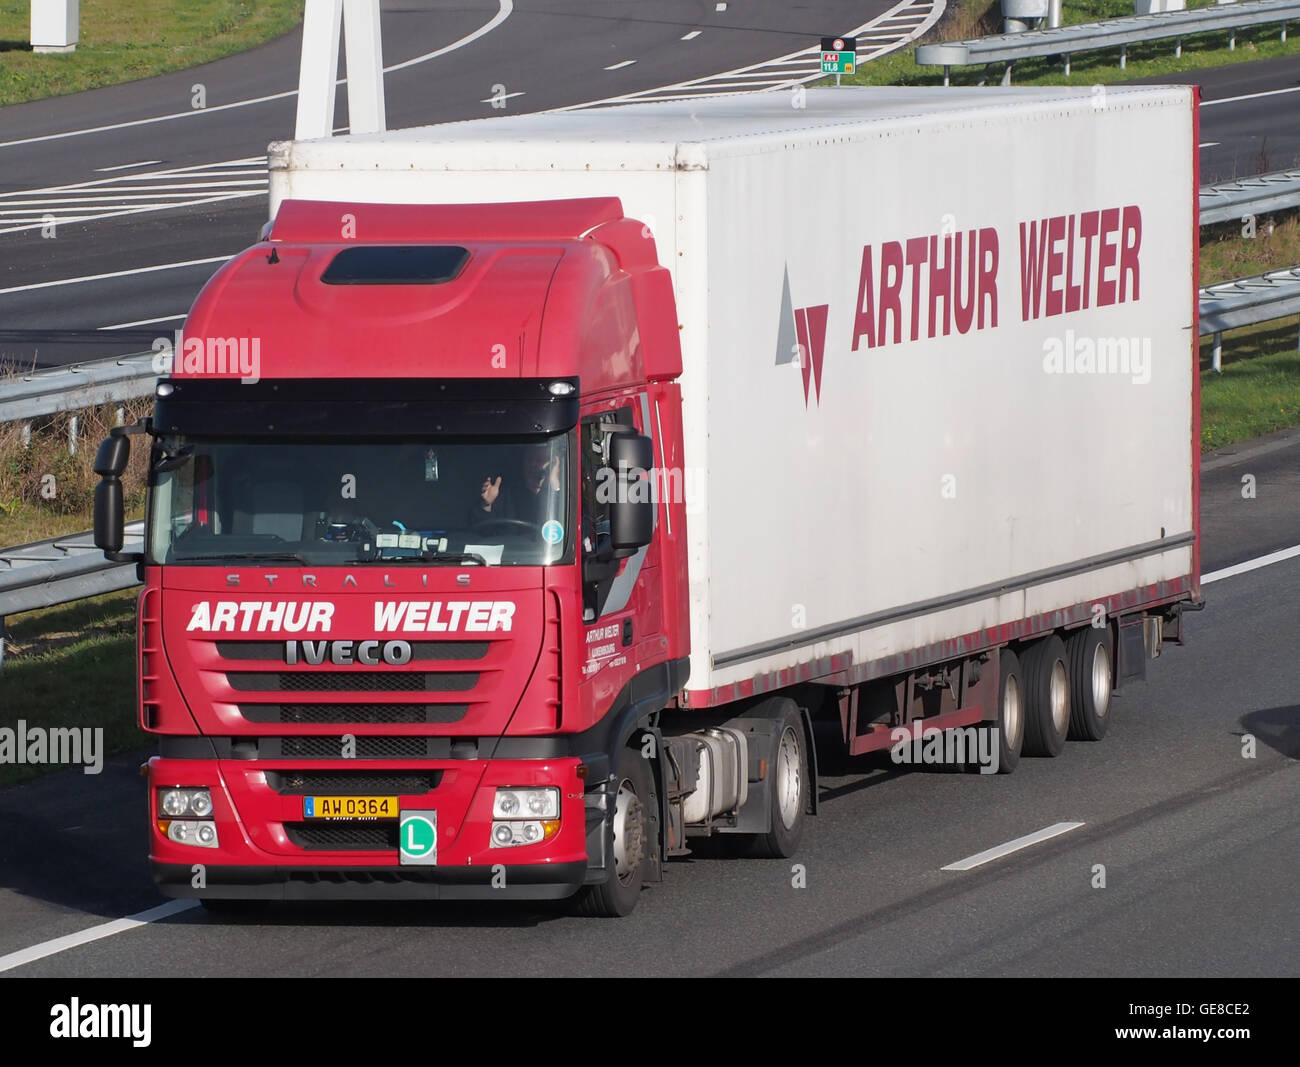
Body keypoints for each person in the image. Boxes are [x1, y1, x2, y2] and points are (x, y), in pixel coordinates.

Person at [468, 442, 563, 528]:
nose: (533, 464)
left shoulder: (559, 496)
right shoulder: (505, 494)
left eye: (539, 460)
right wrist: (486, 504)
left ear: (552, 465)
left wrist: (554, 485)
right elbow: (480, 532)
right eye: (530, 460)